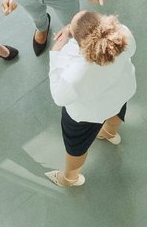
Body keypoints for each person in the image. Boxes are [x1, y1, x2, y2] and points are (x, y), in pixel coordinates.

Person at [45, 11, 137, 188]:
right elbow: (131, 50)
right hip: (120, 92)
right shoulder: (122, 34)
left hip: (88, 114)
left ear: (79, 43)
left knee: (76, 146)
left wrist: (54, 55)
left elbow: (59, 97)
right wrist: (76, 30)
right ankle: (110, 133)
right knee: (117, 109)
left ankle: (70, 178)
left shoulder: (75, 72)